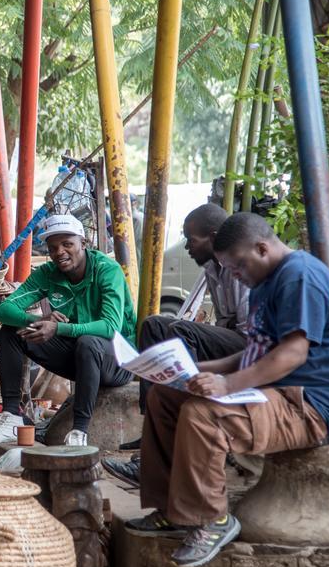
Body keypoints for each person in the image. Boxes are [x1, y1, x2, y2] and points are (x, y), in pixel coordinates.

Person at [131, 213, 329, 567]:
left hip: (309, 405)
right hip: (271, 394)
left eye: (238, 267)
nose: (235, 276)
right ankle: (173, 510)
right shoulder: (265, 281)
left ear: (262, 248)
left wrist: (227, 385)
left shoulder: (300, 277)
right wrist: (197, 371)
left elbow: (293, 353)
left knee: (204, 414)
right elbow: (256, 350)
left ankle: (212, 518)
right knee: (165, 396)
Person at [104, 203, 249, 485]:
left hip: (247, 346)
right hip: (232, 337)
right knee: (154, 324)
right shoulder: (212, 268)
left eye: (191, 240)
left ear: (215, 236)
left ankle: (174, 431)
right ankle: (152, 422)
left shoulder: (239, 268)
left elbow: (243, 329)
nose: (186, 248)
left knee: (183, 331)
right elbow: (226, 322)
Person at [0, 213, 136, 448]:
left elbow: (110, 326)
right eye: (53, 247)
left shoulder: (108, 270)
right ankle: (10, 416)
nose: (60, 252)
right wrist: (37, 320)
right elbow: (4, 309)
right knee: (12, 331)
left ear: (83, 244)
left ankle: (79, 432)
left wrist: (59, 328)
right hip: (80, 357)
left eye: (68, 244)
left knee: (89, 342)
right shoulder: (48, 273)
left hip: (118, 360)